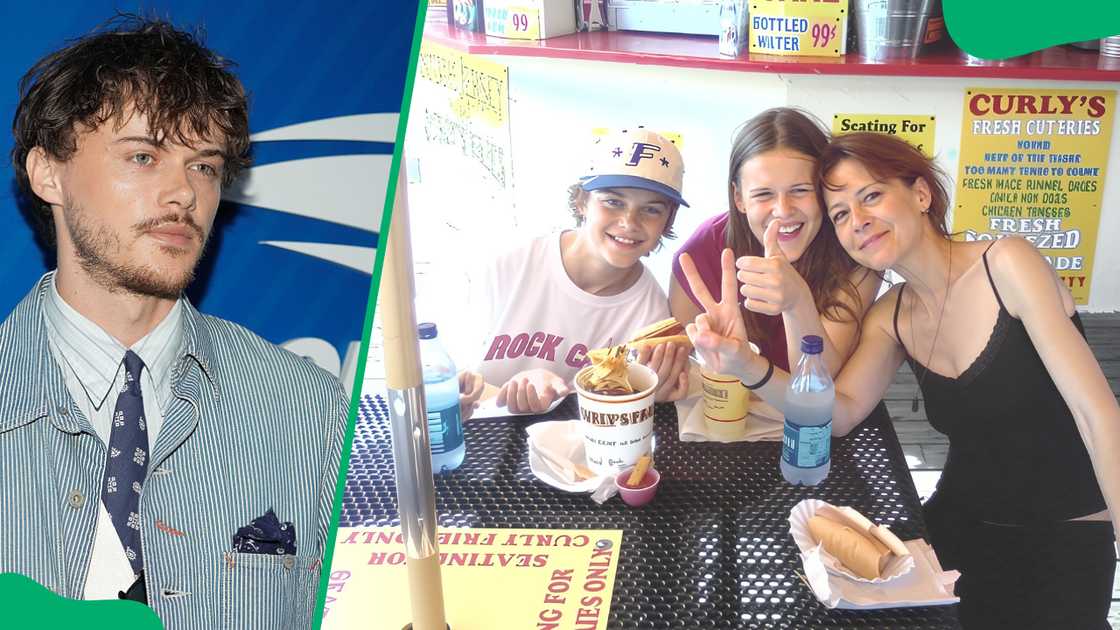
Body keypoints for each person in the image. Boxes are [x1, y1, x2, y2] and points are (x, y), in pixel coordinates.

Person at [684, 131, 1118, 628]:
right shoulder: (891, 315)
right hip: (959, 526)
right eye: (841, 214)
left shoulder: (1006, 264)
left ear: (920, 193)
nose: (858, 220)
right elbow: (840, 414)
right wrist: (747, 366)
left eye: (870, 195)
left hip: (1064, 534)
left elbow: (1098, 416)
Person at [0, 17, 347, 627]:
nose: (183, 194)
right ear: (47, 174)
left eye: (205, 167)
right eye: (143, 156)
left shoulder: (306, 407)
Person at [460, 128, 692, 415]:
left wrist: (649, 397)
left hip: (575, 449)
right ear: (582, 201)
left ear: (668, 221)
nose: (629, 222)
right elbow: (445, 373)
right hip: (477, 439)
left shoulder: (651, 314)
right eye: (613, 202)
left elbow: (615, 415)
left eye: (651, 210)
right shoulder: (506, 263)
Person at [671, 108, 879, 378]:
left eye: (800, 190)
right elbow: (687, 375)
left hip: (818, 417)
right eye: (763, 194)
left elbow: (818, 380)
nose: (783, 210)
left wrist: (797, 302)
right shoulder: (701, 253)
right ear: (739, 198)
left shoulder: (854, 249)